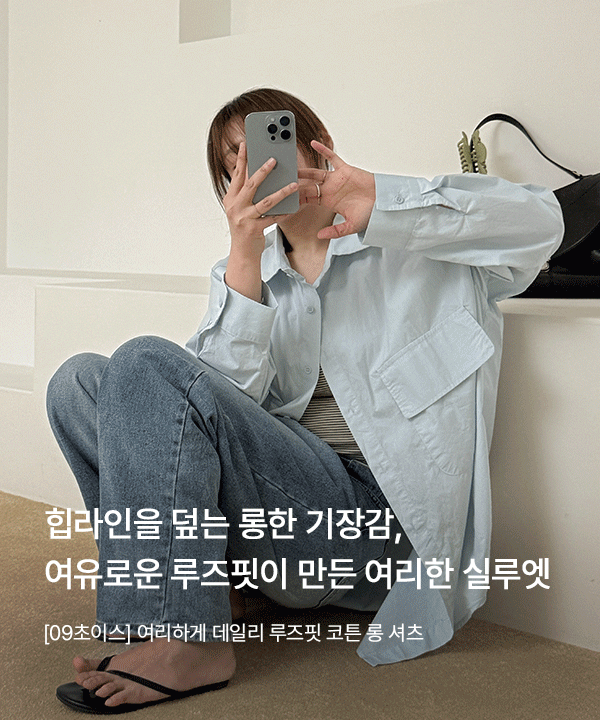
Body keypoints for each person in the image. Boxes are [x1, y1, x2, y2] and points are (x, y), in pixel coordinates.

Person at [47, 87, 563, 713]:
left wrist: (376, 195)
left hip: (369, 531)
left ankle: (191, 642)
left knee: (144, 361)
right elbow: (199, 421)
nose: (257, 164)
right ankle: (182, 607)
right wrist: (243, 256)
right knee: (79, 383)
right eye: (235, 160)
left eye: (269, 140)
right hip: (278, 526)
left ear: (317, 144)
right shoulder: (246, 273)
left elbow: (544, 225)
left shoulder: (419, 244)